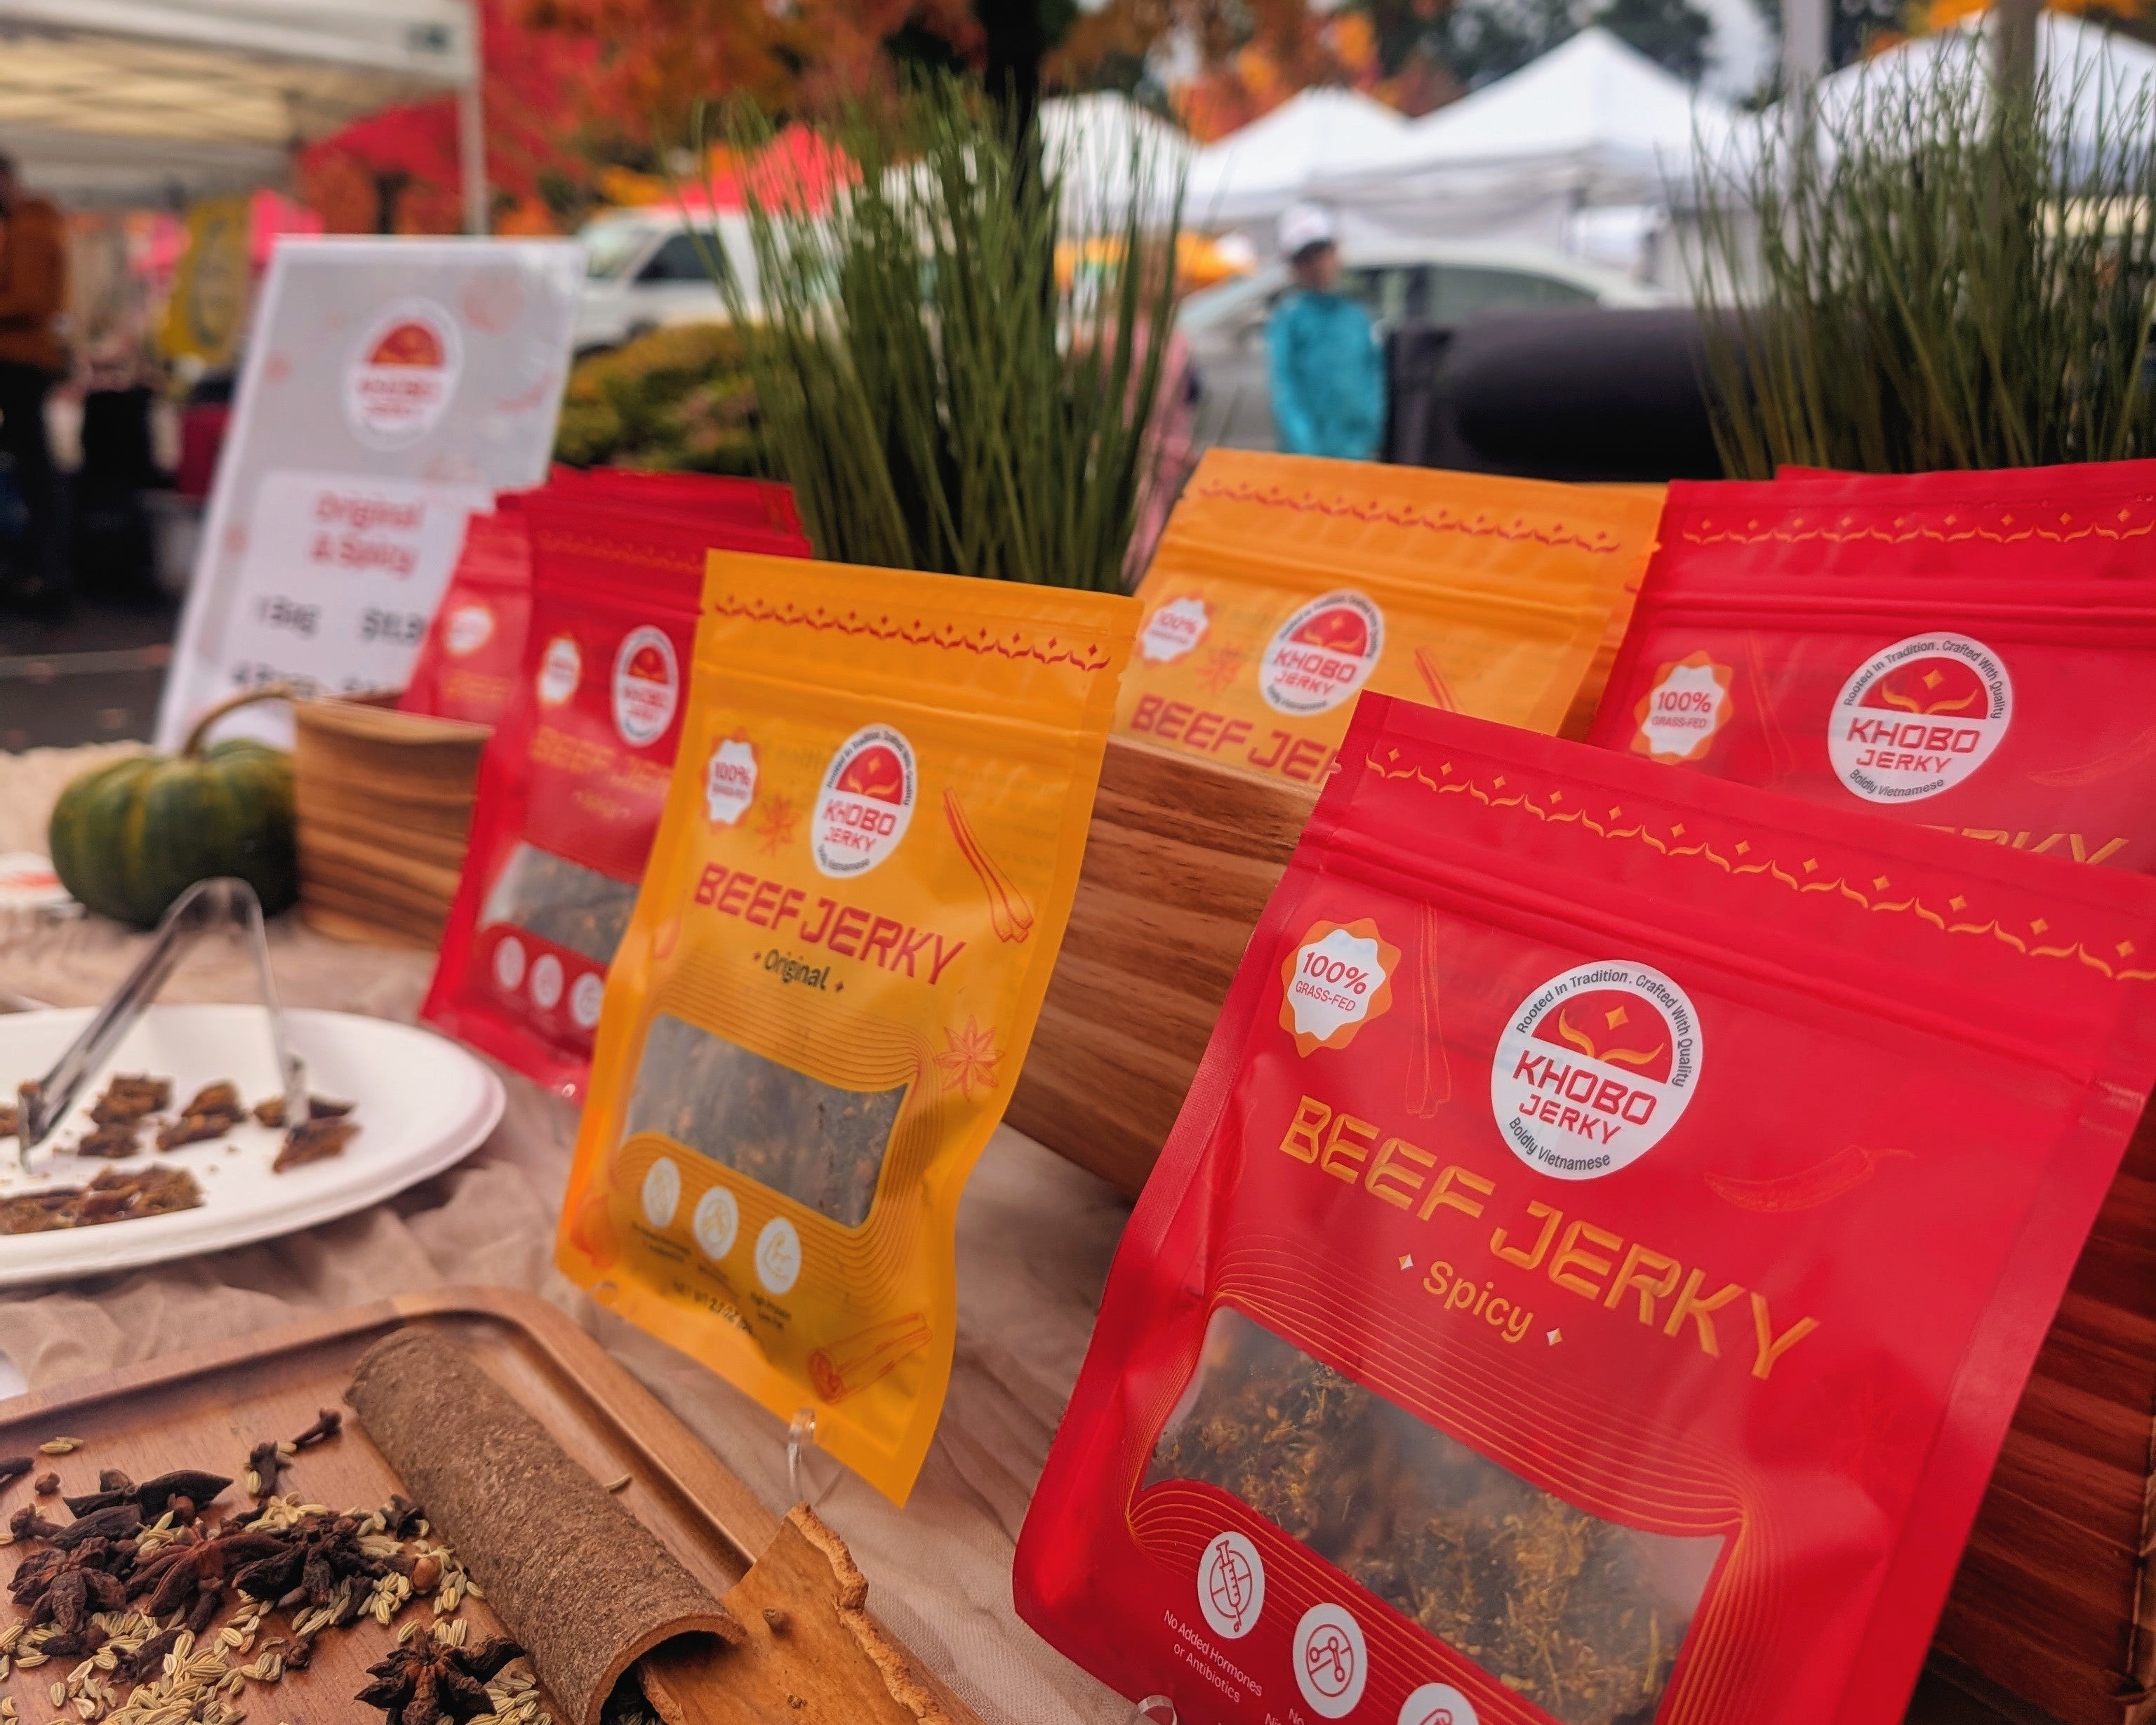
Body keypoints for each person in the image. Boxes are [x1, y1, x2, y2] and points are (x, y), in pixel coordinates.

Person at [0, 147, 68, 607]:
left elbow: (28, 302)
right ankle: (41, 566)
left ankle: (48, 569)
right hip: (24, 362)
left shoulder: (29, 230)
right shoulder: (27, 227)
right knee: (31, 465)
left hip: (21, 362)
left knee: (33, 468)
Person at [1267, 203, 1385, 462]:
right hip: (1311, 458)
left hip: (1361, 453)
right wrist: (1305, 447)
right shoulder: (1288, 320)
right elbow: (1285, 391)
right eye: (1304, 258)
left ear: (1335, 252)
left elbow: (1373, 377)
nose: (1315, 265)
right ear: (1292, 265)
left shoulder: (1356, 315)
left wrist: (1374, 435)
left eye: (1320, 253)